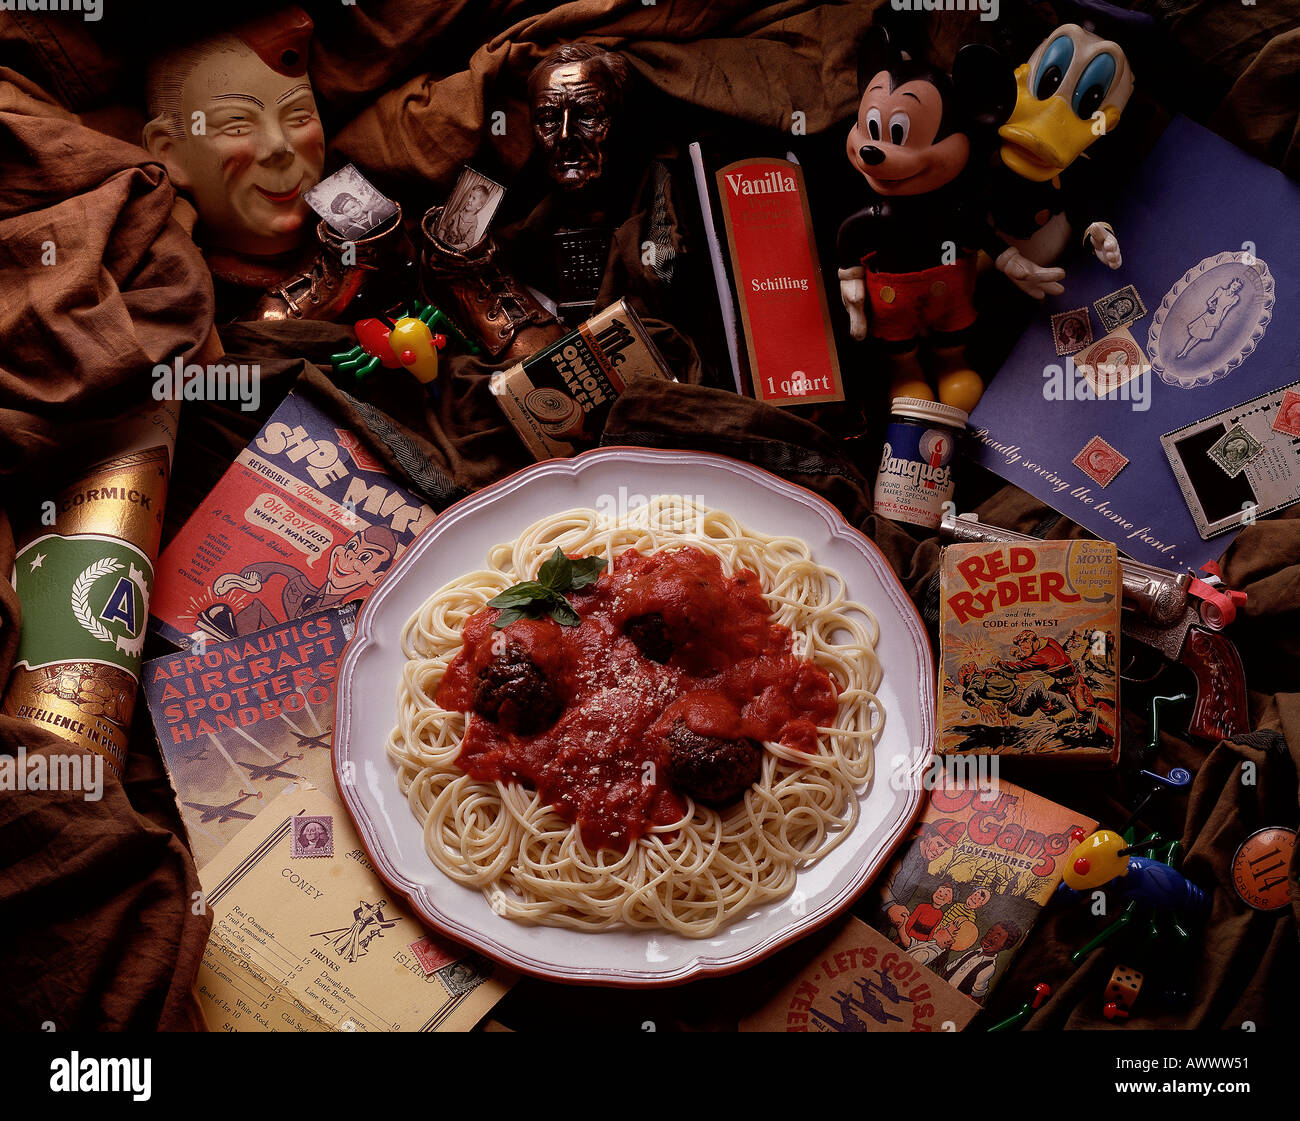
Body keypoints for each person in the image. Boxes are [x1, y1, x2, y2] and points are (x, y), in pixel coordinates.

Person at [942, 920, 1022, 1002]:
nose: (988, 938)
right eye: (990, 933)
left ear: (1005, 946)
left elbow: (977, 996)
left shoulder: (988, 968)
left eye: (996, 938)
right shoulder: (972, 953)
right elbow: (950, 968)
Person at [1178, 277, 1244, 359]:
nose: (1235, 287)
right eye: (1234, 284)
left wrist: (1219, 321)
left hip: (1217, 317)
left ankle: (1186, 351)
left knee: (1200, 336)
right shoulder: (1221, 291)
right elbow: (1209, 300)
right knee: (1196, 335)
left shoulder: (1235, 298)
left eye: (1237, 287)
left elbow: (1226, 310)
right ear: (1231, 284)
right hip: (1210, 314)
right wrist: (1212, 306)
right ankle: (1184, 351)